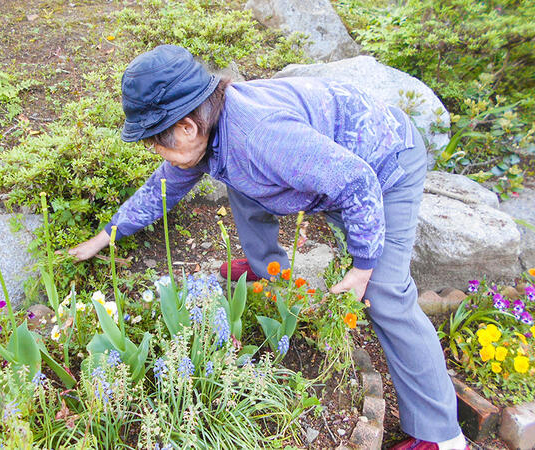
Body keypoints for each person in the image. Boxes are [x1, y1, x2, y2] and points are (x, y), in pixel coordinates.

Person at [69, 45, 467, 450]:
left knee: (385, 293)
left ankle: (444, 436)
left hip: (384, 162)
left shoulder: (260, 136)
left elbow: (357, 182)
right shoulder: (214, 126)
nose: (158, 152)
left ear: (188, 127)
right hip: (334, 161)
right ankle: (267, 269)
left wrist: (363, 266)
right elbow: (163, 187)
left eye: (157, 143)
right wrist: (107, 235)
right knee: (242, 179)